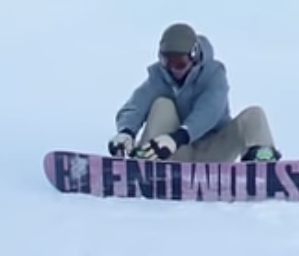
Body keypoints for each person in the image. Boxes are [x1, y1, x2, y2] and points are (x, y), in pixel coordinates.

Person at [108, 22, 282, 163]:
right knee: (162, 105)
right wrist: (126, 132)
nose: (173, 69)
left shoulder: (213, 75)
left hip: (213, 151)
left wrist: (177, 138)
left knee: (254, 114)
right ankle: (145, 158)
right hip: (173, 153)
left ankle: (262, 158)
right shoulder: (160, 77)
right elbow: (137, 104)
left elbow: (209, 111)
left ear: (194, 57)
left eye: (180, 63)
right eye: (167, 61)